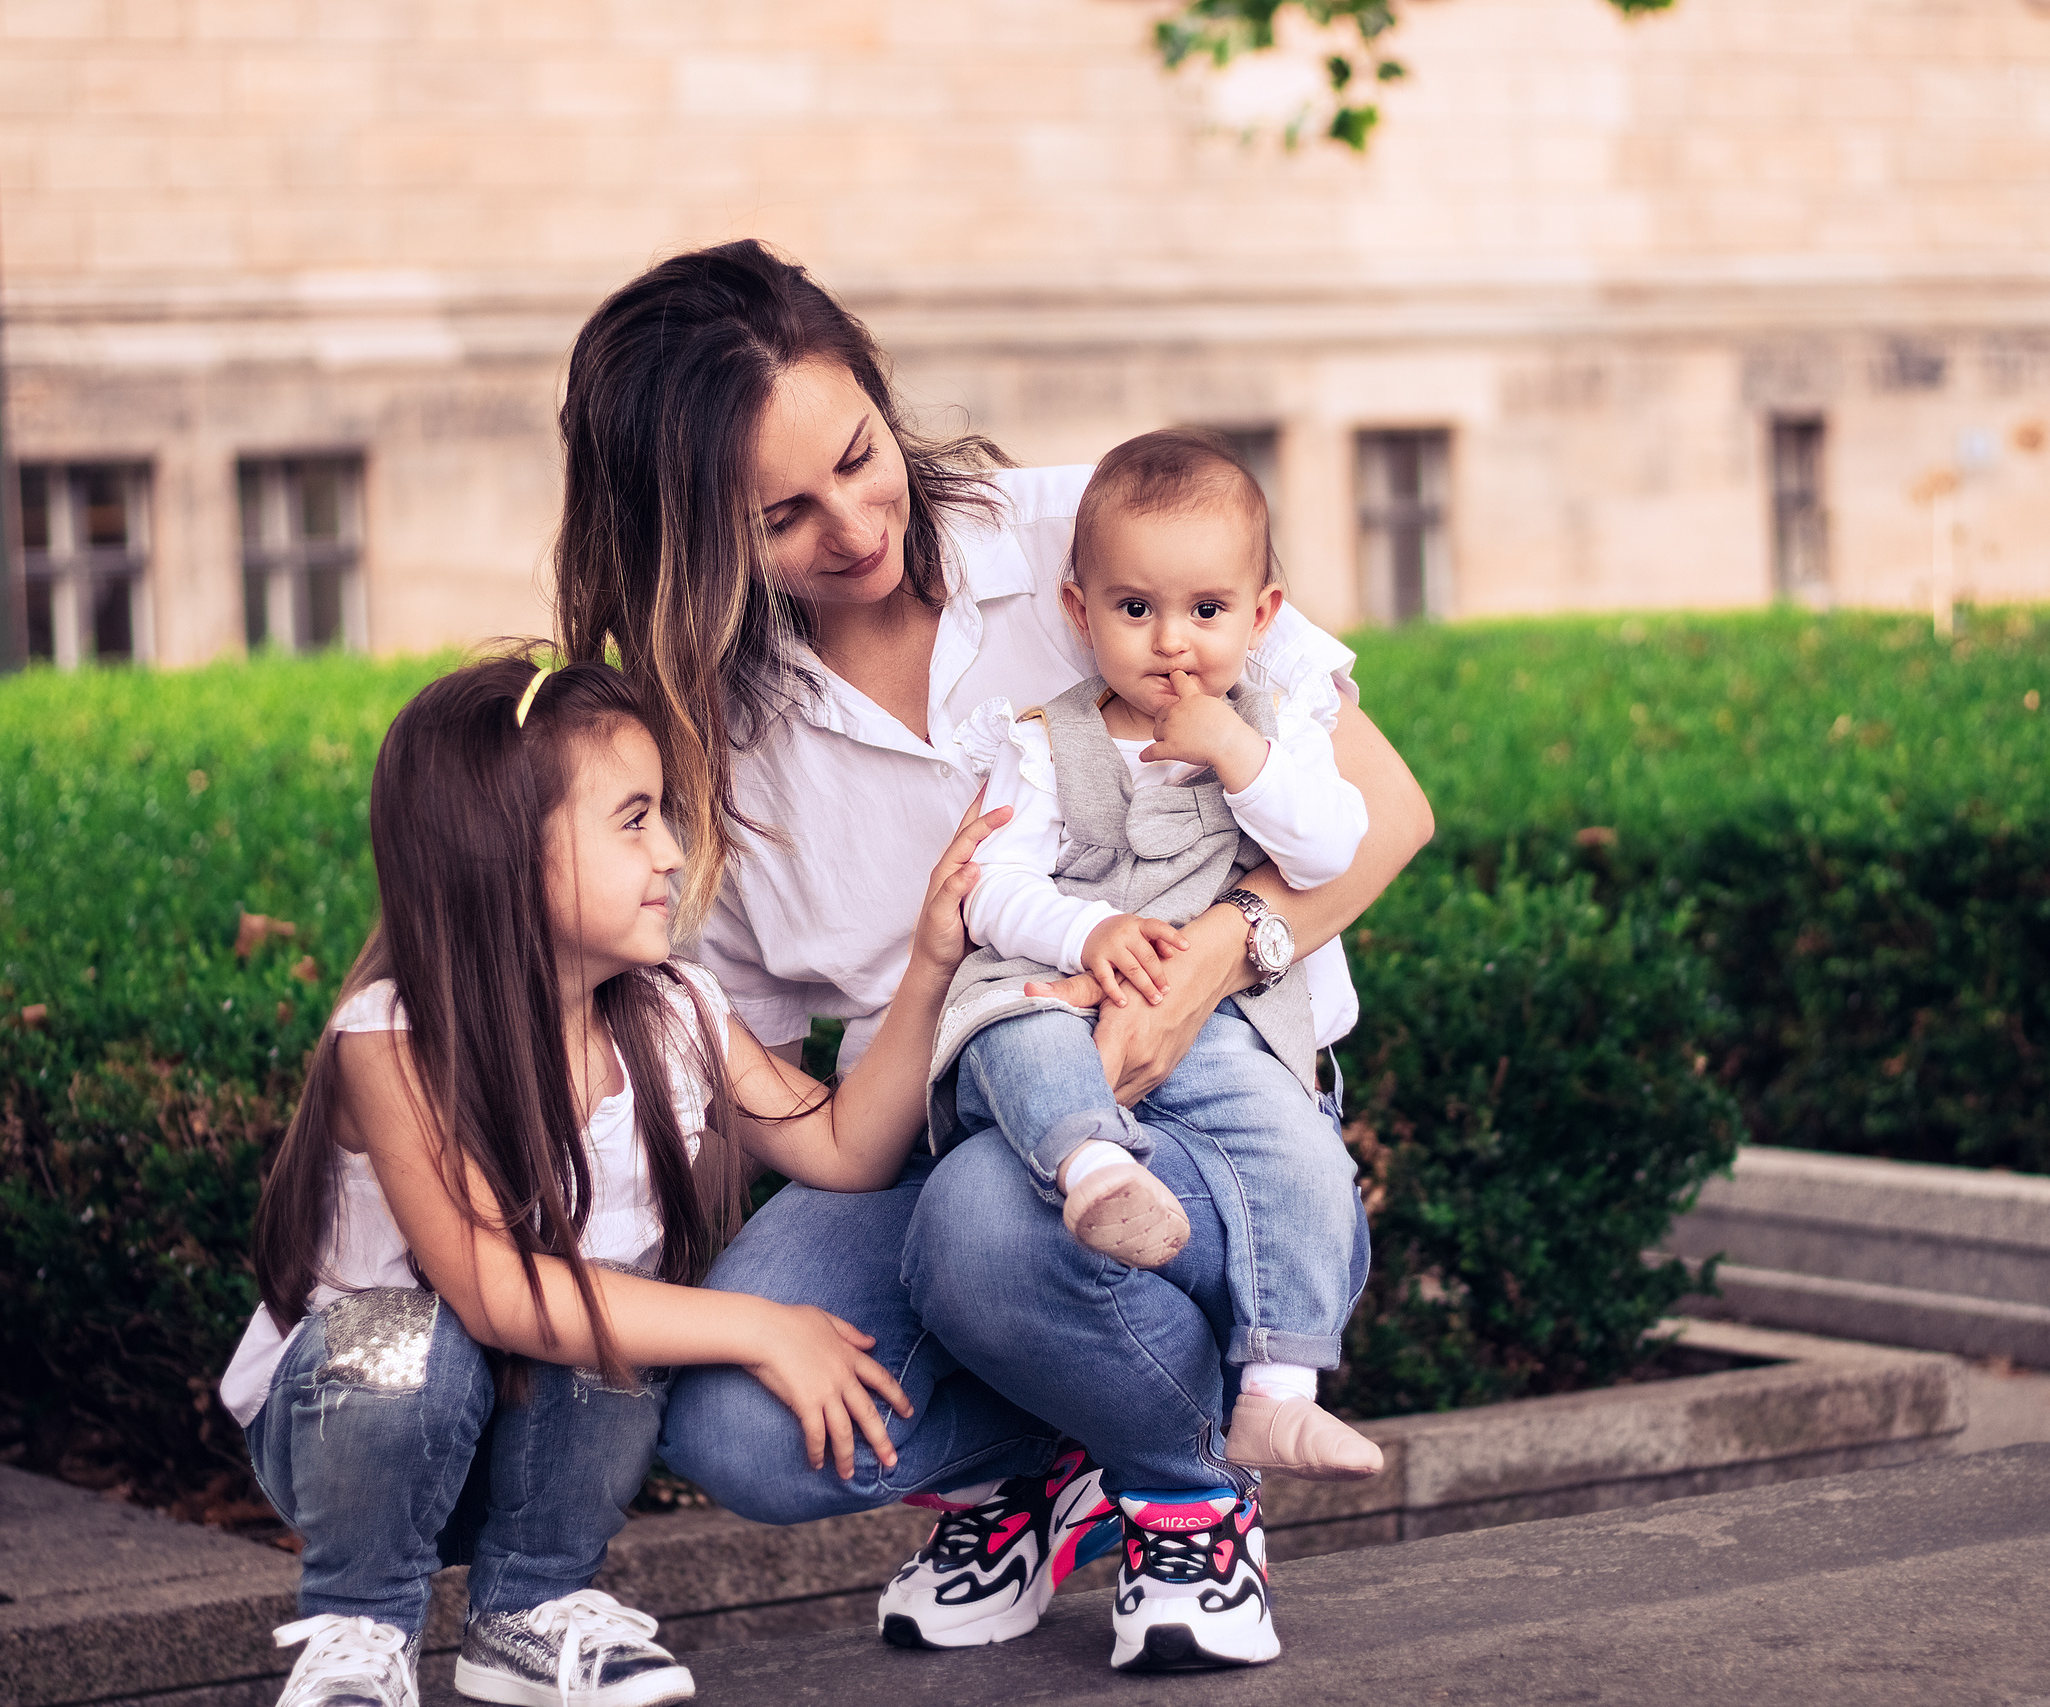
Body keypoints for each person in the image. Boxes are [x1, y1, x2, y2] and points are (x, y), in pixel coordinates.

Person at [554, 239, 1433, 1673]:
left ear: (880, 398)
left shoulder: (1090, 544)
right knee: (738, 1414)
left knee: (983, 1223)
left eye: (857, 456)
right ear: (692, 540)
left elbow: (1388, 815)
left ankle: (1190, 1493)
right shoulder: (711, 738)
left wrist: (1218, 952)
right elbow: (778, 1081)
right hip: (962, 1119)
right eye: (782, 515)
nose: (852, 525)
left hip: (1217, 1106)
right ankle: (1051, 1454)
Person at [219, 652, 1000, 1707]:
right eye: (632, 820)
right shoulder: (394, 1039)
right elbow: (495, 1291)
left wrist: (932, 962)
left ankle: (531, 1610)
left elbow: (846, 1147)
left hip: (532, 1432)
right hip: (362, 1434)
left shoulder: (674, 1013)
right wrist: (764, 1326)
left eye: (664, 817)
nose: (672, 854)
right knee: (418, 1330)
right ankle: (361, 1630)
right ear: (499, 849)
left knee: (611, 1322)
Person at [932, 427, 1384, 1483]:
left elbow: (1329, 851)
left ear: (1261, 616)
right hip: (1065, 992)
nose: (1171, 641)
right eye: (1135, 609)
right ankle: (1091, 1168)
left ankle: (1277, 1389)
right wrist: (1083, 932)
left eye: (1207, 611)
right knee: (1015, 1028)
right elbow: (994, 889)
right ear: (1079, 611)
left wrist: (1239, 754)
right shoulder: (1045, 740)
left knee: (1301, 1150)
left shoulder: (1277, 731)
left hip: (1217, 1019)